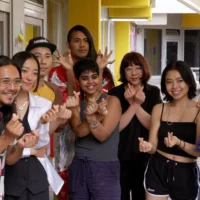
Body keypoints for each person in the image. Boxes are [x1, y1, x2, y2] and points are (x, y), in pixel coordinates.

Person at [48, 25, 115, 200]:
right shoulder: (56, 73)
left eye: (86, 40)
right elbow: (69, 103)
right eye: (77, 40)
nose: (82, 45)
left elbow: (100, 98)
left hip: (99, 151)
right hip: (66, 138)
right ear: (68, 44)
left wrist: (100, 69)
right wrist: (69, 71)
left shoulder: (103, 72)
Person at [4, 51, 72, 200]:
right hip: (10, 181)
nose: (30, 77)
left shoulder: (44, 104)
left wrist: (43, 123)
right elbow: (7, 150)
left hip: (37, 181)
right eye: (24, 71)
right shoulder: (5, 104)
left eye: (35, 73)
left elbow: (42, 144)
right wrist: (32, 152)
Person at [139, 61, 200, 200]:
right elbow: (153, 147)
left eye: (180, 81)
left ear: (189, 82)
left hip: (185, 174)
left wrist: (179, 143)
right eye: (169, 82)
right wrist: (147, 146)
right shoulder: (158, 109)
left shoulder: (198, 111)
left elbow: (199, 150)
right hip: (158, 168)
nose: (174, 87)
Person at [108, 52, 162, 200]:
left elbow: (154, 126)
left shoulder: (153, 92)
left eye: (138, 68)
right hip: (119, 155)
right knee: (120, 195)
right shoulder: (114, 93)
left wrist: (135, 104)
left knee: (142, 195)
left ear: (144, 69)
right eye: (128, 69)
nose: (134, 73)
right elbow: (113, 128)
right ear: (123, 72)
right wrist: (134, 104)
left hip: (145, 155)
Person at [68, 57, 121, 200]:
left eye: (94, 76)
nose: (90, 81)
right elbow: (79, 131)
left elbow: (102, 135)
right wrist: (96, 116)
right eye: (85, 78)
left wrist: (92, 118)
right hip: (79, 166)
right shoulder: (76, 104)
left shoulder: (111, 101)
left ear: (100, 78)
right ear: (78, 82)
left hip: (105, 167)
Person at [0, 55, 39, 200]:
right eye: (5, 82)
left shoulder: (7, 111)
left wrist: (21, 146)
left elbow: (8, 159)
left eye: (17, 82)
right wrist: (8, 137)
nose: (12, 88)